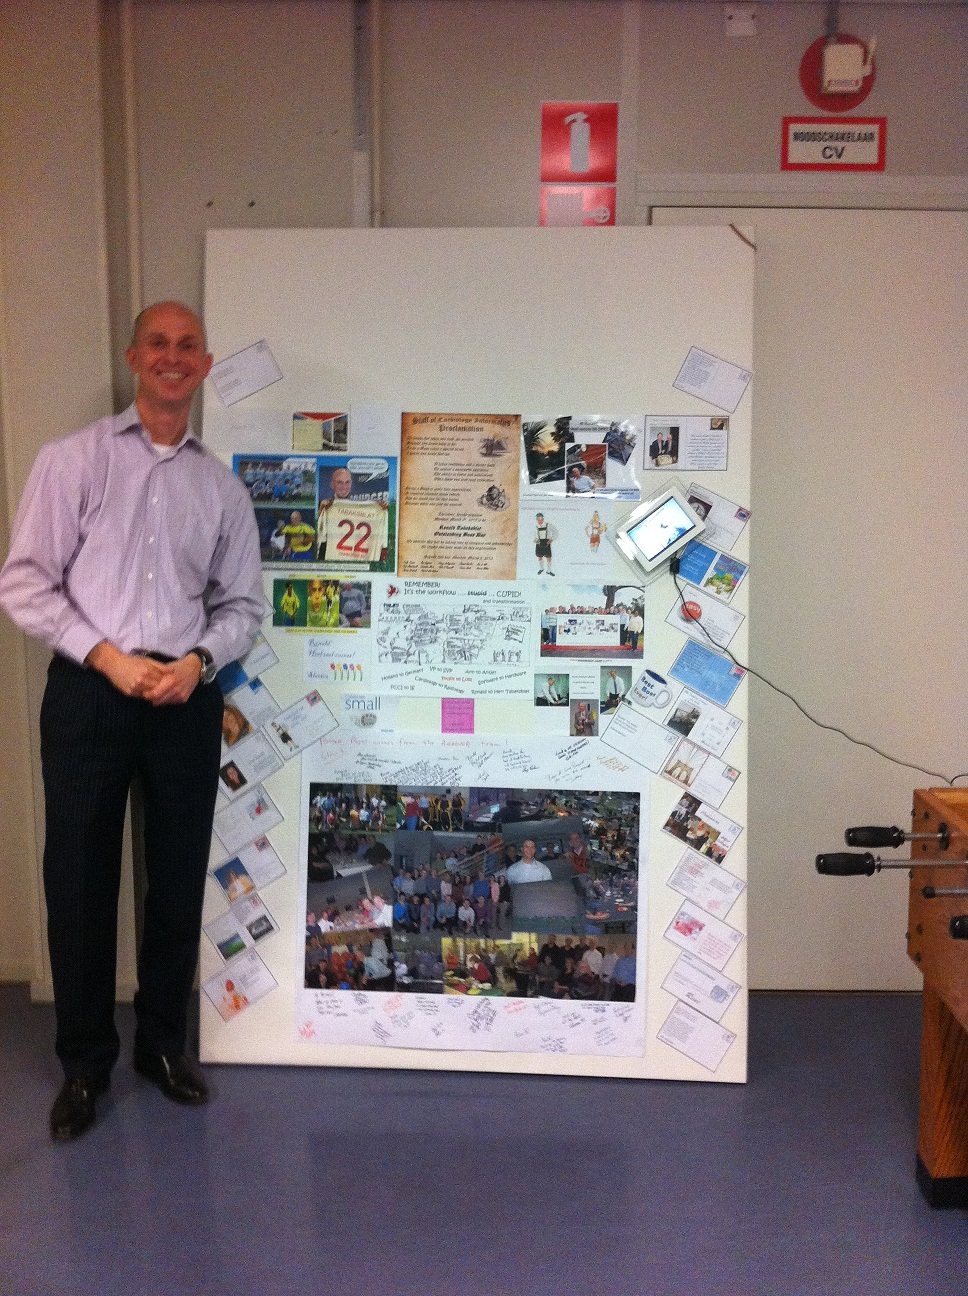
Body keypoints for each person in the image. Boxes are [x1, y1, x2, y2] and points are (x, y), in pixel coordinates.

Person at [0, 301, 262, 1141]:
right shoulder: (71, 460)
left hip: (184, 699)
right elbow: (24, 583)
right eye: (158, 343)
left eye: (188, 346)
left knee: (176, 877)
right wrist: (108, 658)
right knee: (79, 880)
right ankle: (85, 1064)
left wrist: (198, 663)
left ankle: (160, 1047)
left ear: (205, 364)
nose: (172, 357)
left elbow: (243, 607)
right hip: (90, 693)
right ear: (133, 356)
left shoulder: (221, 488)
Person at [316, 465, 389, 567]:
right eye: (339, 482)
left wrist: (383, 510)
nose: (344, 486)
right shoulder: (325, 505)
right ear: (332, 484)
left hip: (360, 563)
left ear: (351, 484)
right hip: (333, 561)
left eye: (347, 482)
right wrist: (321, 513)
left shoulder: (368, 505)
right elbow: (319, 536)